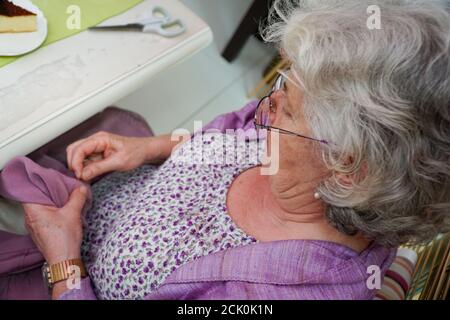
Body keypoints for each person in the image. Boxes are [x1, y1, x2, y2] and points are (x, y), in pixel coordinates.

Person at [2, 0, 449, 300]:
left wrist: (63, 260)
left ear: (347, 169)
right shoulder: (304, 143)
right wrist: (149, 147)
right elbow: (235, 129)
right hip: (111, 192)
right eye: (280, 82)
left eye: (286, 109)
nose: (264, 107)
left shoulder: (279, 293)